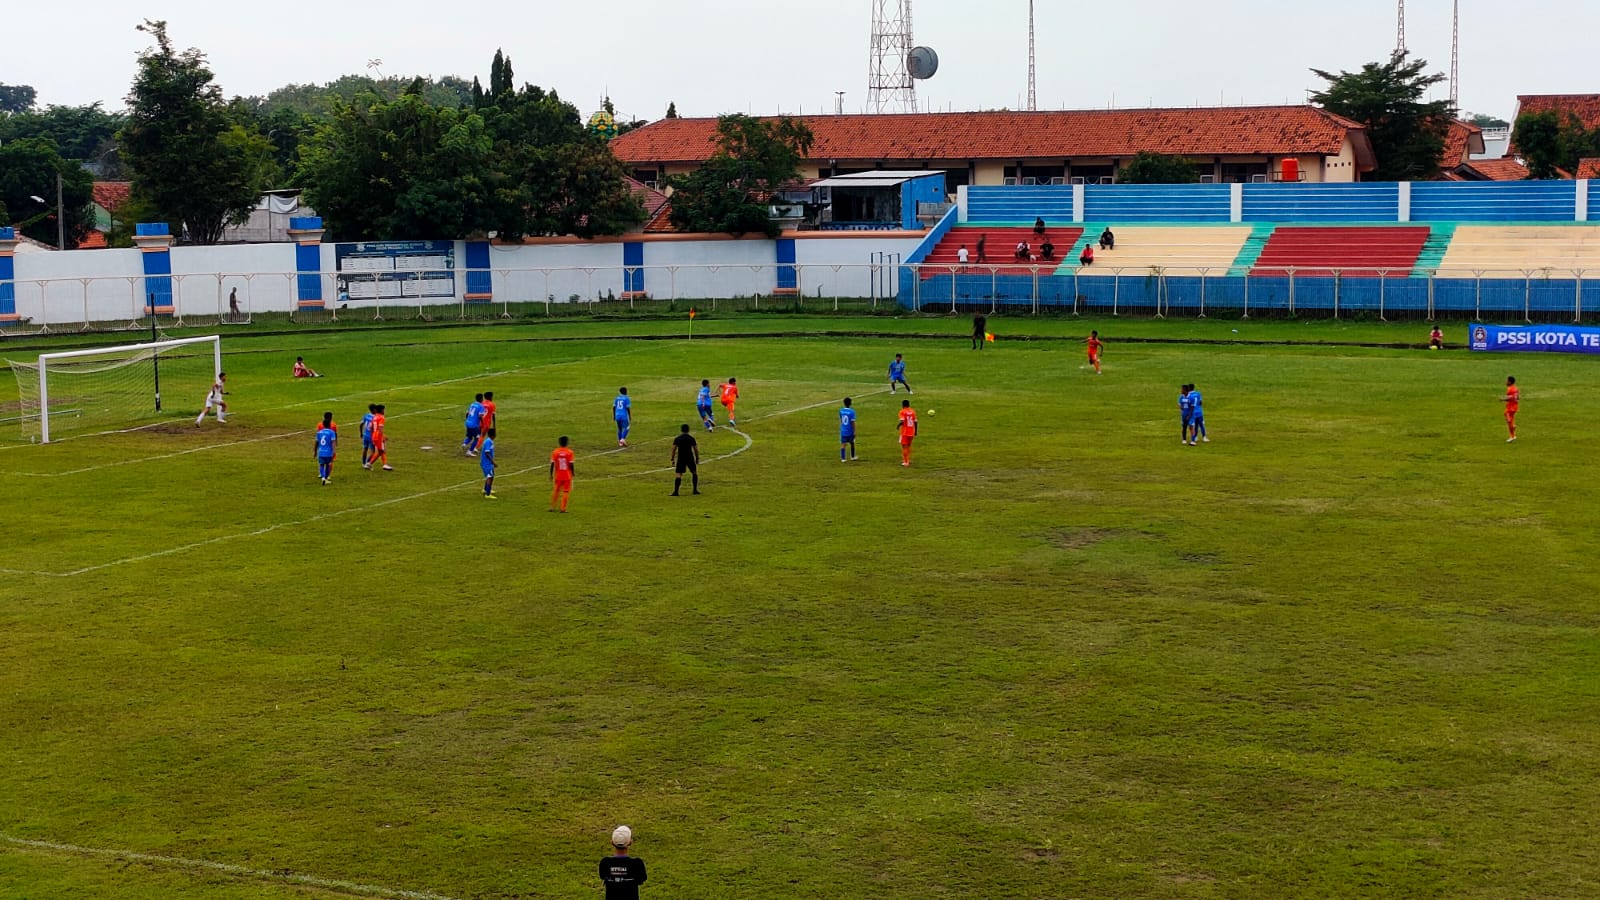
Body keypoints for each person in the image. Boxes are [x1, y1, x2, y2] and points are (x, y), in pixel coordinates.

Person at [600, 825, 647, 900]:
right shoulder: (637, 864)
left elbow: (603, 876)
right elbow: (641, 880)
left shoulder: (605, 863)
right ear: (630, 842)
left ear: (612, 842)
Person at [671, 424, 700, 495]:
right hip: (689, 457)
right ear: (688, 430)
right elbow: (695, 449)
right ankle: (695, 490)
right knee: (694, 472)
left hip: (681, 457)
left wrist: (672, 459)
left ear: (681, 430)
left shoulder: (678, 438)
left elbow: (674, 449)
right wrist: (697, 458)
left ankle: (676, 491)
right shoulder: (691, 438)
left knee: (678, 474)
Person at [549, 435, 576, 512]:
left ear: (559, 443)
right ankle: (563, 509)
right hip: (567, 475)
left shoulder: (555, 452)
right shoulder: (570, 452)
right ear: (567, 443)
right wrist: (573, 473)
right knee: (566, 491)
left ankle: (552, 507)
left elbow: (552, 464)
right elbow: (571, 464)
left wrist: (551, 474)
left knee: (556, 491)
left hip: (558, 475)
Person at [315, 412, 338, 485]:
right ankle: (327, 476)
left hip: (321, 451)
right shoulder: (333, 428)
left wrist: (315, 451)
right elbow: (334, 440)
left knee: (321, 464)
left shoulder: (319, 429)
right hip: (329, 451)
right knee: (328, 464)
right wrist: (334, 451)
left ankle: (322, 476)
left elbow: (316, 441)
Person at [897, 398, 919, 467]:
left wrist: (898, 426)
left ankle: (906, 462)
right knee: (908, 446)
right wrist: (915, 431)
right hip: (911, 431)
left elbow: (902, 421)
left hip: (904, 432)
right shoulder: (912, 411)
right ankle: (907, 459)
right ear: (909, 405)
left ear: (902, 405)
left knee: (904, 447)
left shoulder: (902, 411)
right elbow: (915, 422)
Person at [369, 404, 392, 471]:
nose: (384, 411)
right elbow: (381, 428)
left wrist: (373, 435)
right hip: (379, 436)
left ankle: (370, 464)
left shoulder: (375, 417)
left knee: (381, 451)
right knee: (381, 451)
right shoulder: (381, 417)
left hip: (374, 435)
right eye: (384, 409)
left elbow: (371, 427)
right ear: (382, 410)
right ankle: (371, 464)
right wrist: (382, 436)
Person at [480, 428, 498, 499]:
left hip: (487, 463)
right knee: (489, 477)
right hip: (487, 463)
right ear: (493, 435)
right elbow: (487, 453)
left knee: (491, 476)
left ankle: (486, 489)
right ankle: (488, 494)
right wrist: (493, 462)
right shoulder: (488, 442)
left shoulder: (489, 441)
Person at [839, 397, 858, 462]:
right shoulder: (852, 412)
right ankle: (852, 457)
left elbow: (841, 420)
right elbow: (852, 422)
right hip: (849, 430)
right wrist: (855, 431)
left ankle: (843, 458)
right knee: (852, 443)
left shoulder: (841, 410)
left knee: (843, 444)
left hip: (843, 430)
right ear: (850, 403)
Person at [1502, 376, 1519, 442]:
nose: (1505, 382)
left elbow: (1509, 398)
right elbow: (1518, 397)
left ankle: (1512, 436)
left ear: (1510, 382)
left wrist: (1502, 399)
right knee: (1506, 415)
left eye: (1507, 381)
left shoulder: (1510, 389)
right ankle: (1513, 426)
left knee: (1509, 421)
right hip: (1515, 406)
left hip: (1511, 408)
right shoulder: (1516, 388)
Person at [360, 403, 377, 469]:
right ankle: (368, 463)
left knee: (365, 449)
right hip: (371, 436)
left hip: (365, 434)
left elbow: (361, 424)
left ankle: (363, 463)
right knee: (373, 451)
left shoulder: (366, 415)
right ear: (374, 409)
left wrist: (361, 433)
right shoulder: (375, 417)